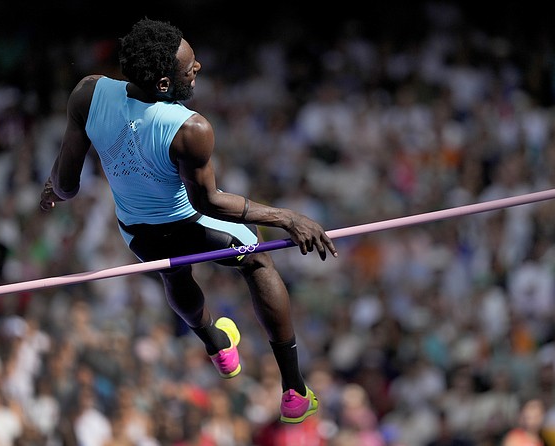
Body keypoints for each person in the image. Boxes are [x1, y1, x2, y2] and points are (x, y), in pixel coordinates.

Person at [39, 16, 338, 424]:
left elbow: (67, 185)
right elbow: (210, 203)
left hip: (139, 234)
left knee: (175, 276)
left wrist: (53, 188)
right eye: (189, 66)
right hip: (194, 226)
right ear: (164, 84)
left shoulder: (87, 93)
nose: (197, 68)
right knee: (258, 261)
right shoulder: (189, 128)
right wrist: (285, 217)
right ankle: (294, 391)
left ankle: (216, 343)